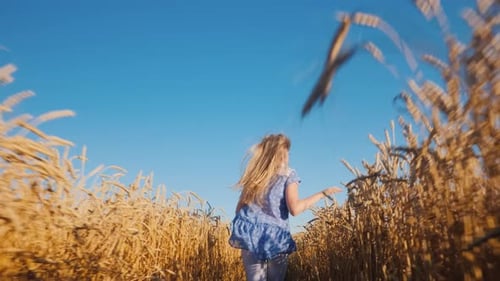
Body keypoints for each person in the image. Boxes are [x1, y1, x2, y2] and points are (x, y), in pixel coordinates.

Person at [228, 133, 342, 281]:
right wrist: (322, 194)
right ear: (282, 153)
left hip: (250, 234)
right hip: (276, 236)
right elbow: (294, 209)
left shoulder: (255, 176)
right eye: (287, 151)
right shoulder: (289, 175)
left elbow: (239, 209)